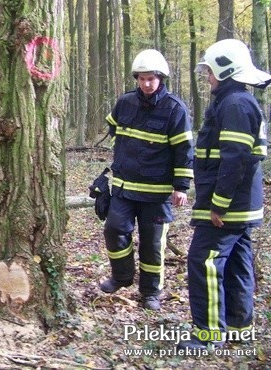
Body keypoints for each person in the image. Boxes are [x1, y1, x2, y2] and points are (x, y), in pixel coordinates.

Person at [176, 39, 270, 350]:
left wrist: (219, 204)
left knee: (204, 261)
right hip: (239, 205)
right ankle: (239, 327)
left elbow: (236, 158)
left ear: (225, 70)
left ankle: (209, 334)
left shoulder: (235, 105)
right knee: (236, 263)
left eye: (210, 72)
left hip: (229, 206)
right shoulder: (235, 102)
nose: (207, 77)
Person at [100, 49, 194, 311]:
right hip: (124, 188)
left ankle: (151, 292)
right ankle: (121, 276)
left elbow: (184, 151)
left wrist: (181, 187)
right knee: (114, 230)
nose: (146, 84)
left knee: (152, 245)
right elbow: (113, 128)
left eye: (151, 78)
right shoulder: (125, 102)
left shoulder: (175, 109)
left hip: (158, 193)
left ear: (161, 78)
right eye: (141, 79)